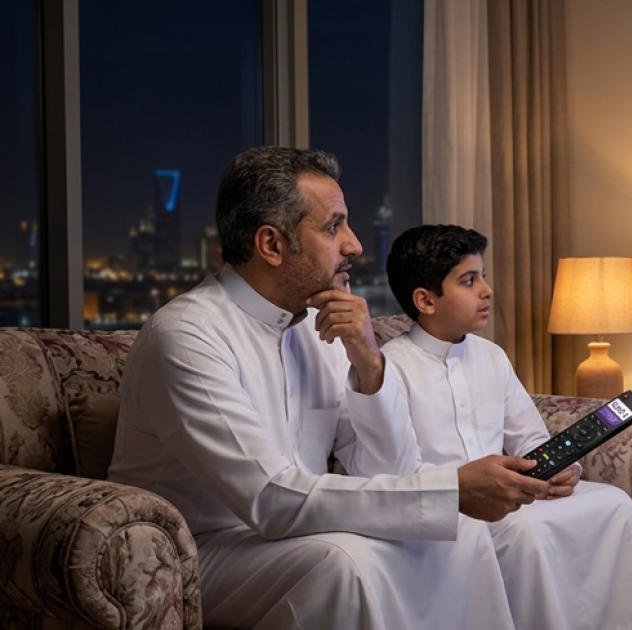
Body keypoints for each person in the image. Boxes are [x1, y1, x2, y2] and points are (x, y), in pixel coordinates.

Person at [108, 147, 550, 630]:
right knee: (344, 562)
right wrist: (453, 490)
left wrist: (369, 362)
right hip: (198, 553)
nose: (354, 245)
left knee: (458, 534)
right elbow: (270, 500)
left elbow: (391, 468)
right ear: (271, 245)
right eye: (333, 227)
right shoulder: (187, 337)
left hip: (294, 535)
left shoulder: (318, 329)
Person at [380, 224, 632, 630]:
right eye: (469, 281)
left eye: (483, 276)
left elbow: (530, 437)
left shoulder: (491, 356)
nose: (487, 291)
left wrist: (564, 470)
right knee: (525, 532)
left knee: (614, 503)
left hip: (516, 495)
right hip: (454, 506)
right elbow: (398, 471)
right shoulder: (390, 369)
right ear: (425, 300)